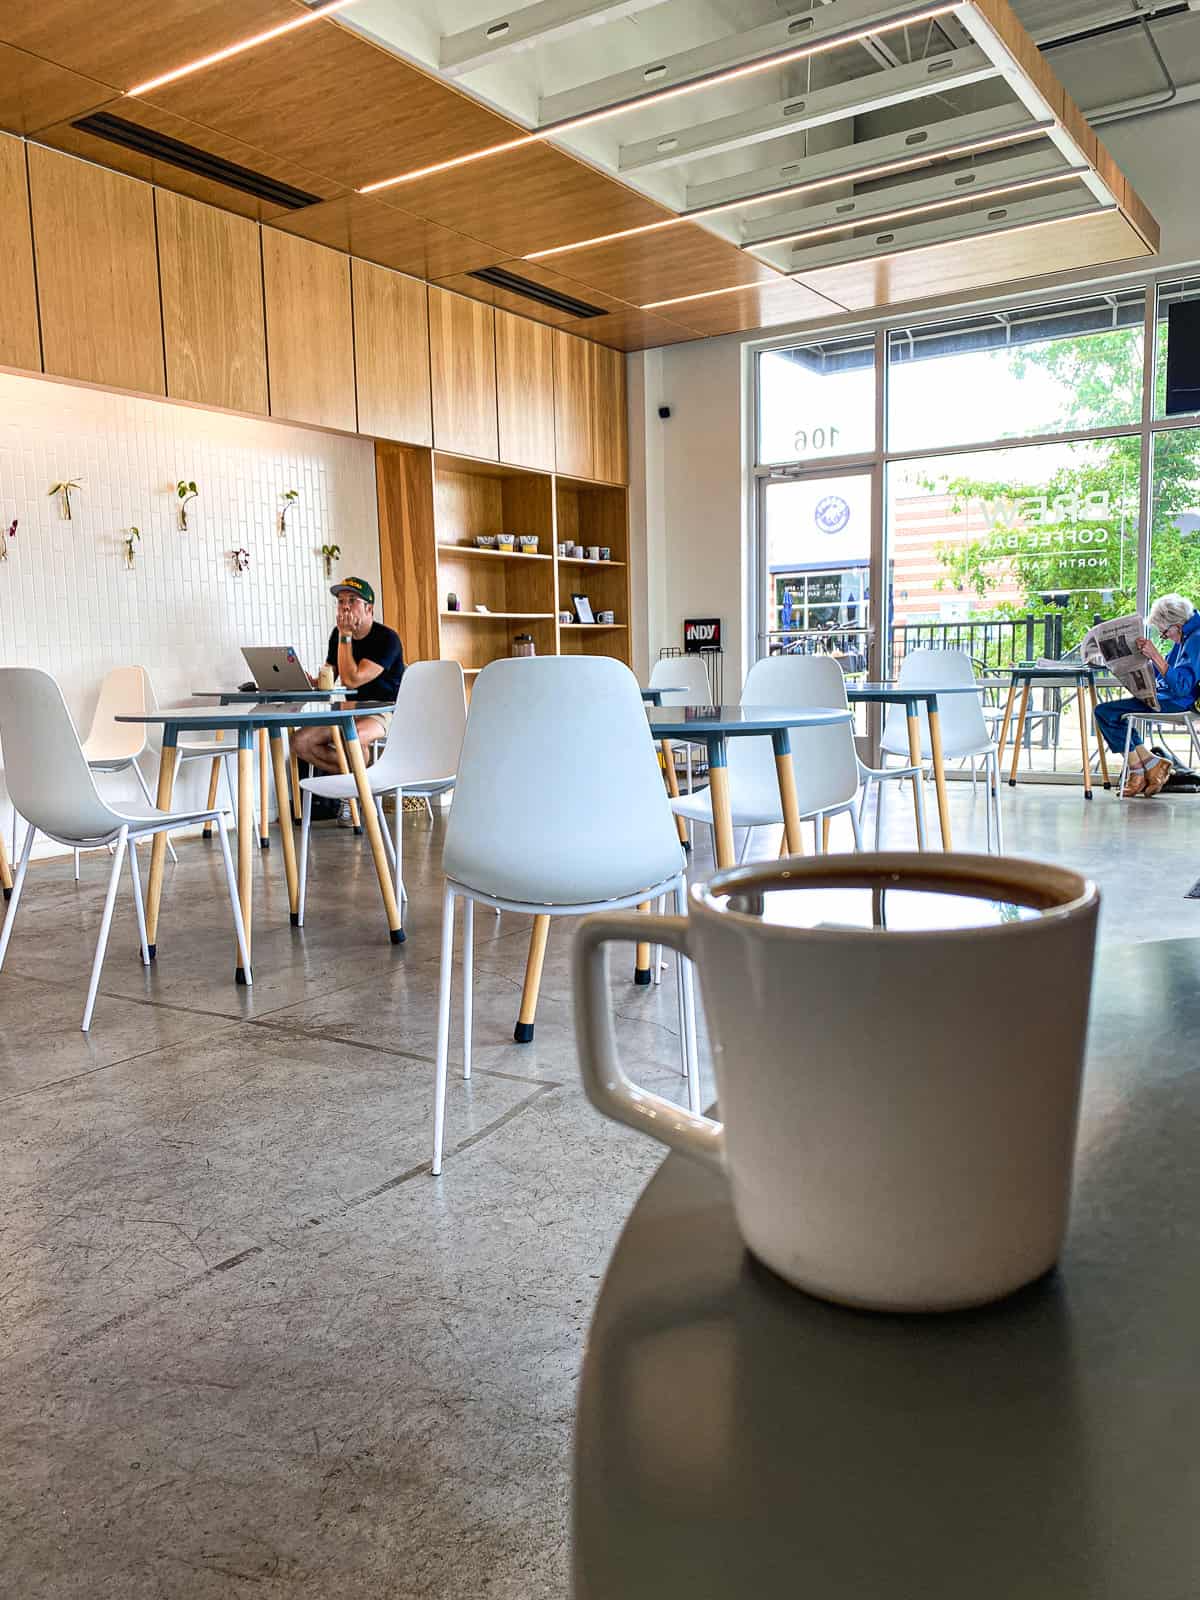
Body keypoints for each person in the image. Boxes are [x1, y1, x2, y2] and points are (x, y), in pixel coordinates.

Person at [291, 576, 404, 788]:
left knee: (354, 738)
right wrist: (309, 682)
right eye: (341, 601)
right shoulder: (338, 635)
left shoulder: (387, 639)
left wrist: (345, 635)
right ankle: (362, 780)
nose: (345, 607)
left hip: (386, 710)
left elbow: (352, 680)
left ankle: (351, 793)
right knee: (299, 742)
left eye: (352, 601)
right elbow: (330, 677)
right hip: (350, 710)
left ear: (369, 609)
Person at [1093, 593, 1200, 798]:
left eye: (1164, 633)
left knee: (1105, 712)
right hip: (1170, 698)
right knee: (1112, 713)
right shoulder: (1188, 636)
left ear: (1176, 625)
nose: (1165, 637)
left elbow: (1182, 687)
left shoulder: (1196, 640)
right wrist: (1140, 660)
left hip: (1179, 703)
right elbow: (1167, 672)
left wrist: (1155, 656)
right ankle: (1151, 764)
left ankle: (1139, 771)